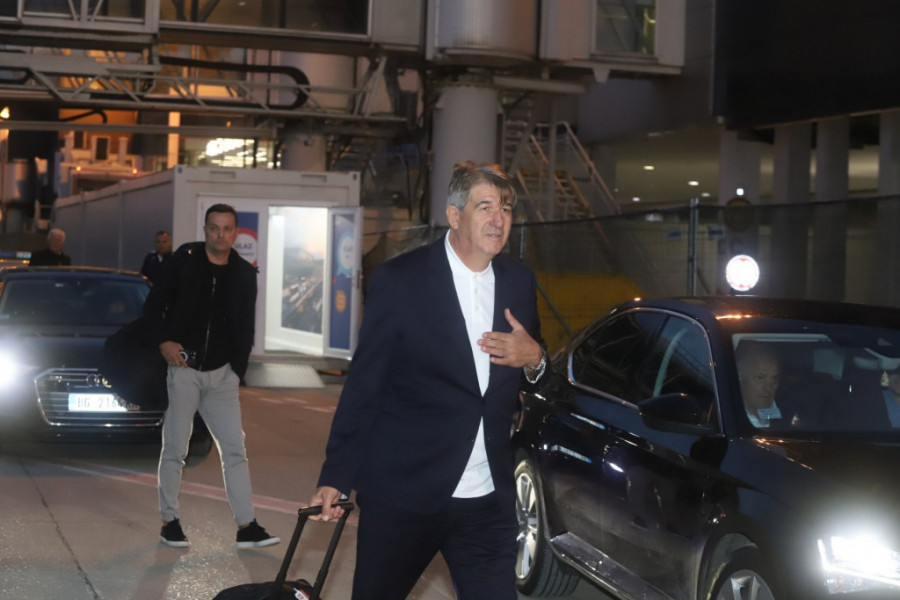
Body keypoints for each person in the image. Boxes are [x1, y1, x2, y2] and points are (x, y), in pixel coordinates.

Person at [308, 161, 546, 600]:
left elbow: (534, 365)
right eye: (485, 207)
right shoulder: (401, 281)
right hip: (404, 493)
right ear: (455, 216)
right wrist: (336, 474)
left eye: (506, 209)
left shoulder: (519, 282)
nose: (499, 219)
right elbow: (365, 384)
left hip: (485, 499)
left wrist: (534, 358)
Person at [144, 203, 279, 549]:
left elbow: (245, 327)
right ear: (205, 230)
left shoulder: (244, 274)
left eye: (227, 229)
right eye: (214, 228)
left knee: (234, 450)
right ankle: (169, 521)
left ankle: (247, 527)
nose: (221, 235)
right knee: (175, 448)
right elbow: (153, 306)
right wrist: (164, 342)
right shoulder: (184, 260)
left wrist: (236, 371)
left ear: (236, 233)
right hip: (183, 370)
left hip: (222, 376)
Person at [736, 340, 781, 427]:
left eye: (774, 379)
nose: (768, 388)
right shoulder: (727, 417)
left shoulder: (790, 413)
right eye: (760, 378)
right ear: (740, 377)